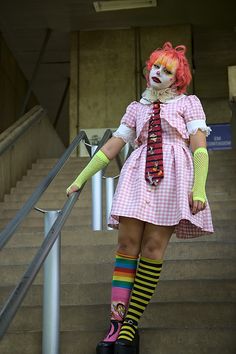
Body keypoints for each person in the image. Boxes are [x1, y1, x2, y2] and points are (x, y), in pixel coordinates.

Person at [67, 41, 214, 354]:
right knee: (126, 246)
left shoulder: (189, 104)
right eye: (155, 67)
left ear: (178, 78)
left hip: (173, 177)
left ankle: (130, 325)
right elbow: (113, 146)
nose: (158, 73)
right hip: (137, 175)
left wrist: (198, 187)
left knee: (152, 247)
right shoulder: (136, 108)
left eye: (166, 70)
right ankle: (115, 324)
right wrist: (80, 179)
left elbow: (199, 146)